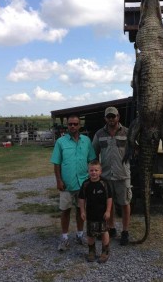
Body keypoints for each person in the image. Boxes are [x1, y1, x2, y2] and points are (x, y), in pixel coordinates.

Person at [50, 115, 96, 251]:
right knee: (65, 210)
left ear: (79, 125)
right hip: (67, 183)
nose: (73, 127)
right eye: (70, 124)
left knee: (81, 210)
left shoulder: (86, 141)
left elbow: (92, 160)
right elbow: (56, 163)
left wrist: (92, 178)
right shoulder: (60, 142)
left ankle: (80, 235)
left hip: (83, 183)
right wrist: (58, 180)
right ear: (67, 126)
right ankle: (64, 238)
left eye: (75, 124)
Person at [92, 106, 132, 245]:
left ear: (118, 117)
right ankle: (112, 227)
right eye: (108, 116)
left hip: (123, 175)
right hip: (107, 176)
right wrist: (96, 172)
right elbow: (94, 154)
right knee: (109, 204)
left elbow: (136, 149)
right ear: (105, 118)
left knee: (125, 203)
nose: (111, 119)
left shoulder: (128, 132)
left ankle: (125, 232)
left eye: (113, 116)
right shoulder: (99, 134)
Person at [79, 160, 112, 263]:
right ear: (88, 171)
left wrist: (108, 211)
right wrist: (82, 211)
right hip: (90, 214)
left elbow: (109, 198)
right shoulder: (85, 184)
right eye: (91, 170)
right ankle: (91, 251)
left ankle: (105, 251)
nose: (94, 172)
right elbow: (81, 199)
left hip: (102, 215)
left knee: (104, 232)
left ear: (100, 172)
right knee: (90, 234)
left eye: (96, 170)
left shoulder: (104, 183)